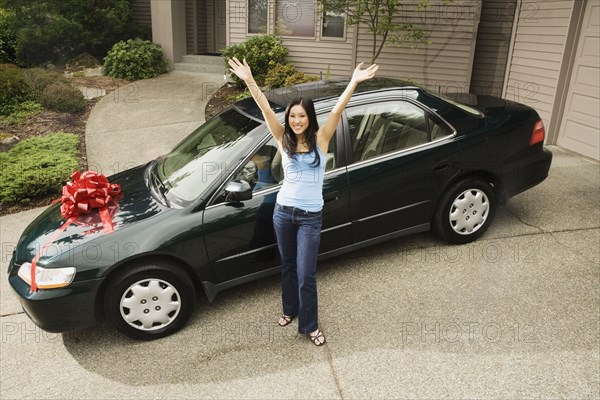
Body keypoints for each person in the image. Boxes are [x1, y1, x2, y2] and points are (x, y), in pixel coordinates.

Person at [228, 57, 378, 346]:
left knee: (306, 273)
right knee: (287, 265)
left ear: (309, 118)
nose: (296, 121)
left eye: (301, 116)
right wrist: (249, 80)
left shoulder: (322, 139)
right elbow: (264, 108)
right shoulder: (282, 138)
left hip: (310, 217)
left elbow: (338, 109)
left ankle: (310, 325)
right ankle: (289, 309)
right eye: (292, 116)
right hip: (283, 213)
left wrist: (354, 81)